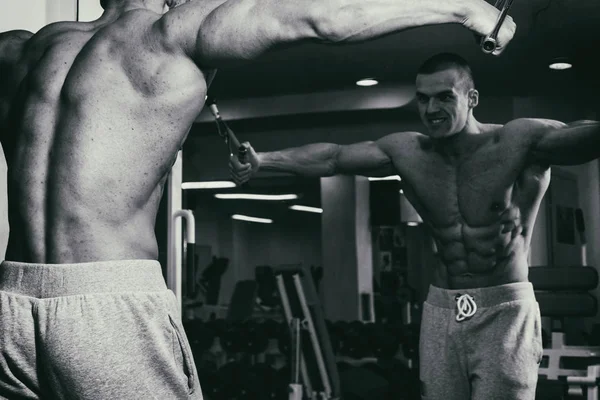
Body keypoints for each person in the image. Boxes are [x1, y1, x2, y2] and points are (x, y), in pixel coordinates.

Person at [0, 0, 517, 398]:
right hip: (105, 305)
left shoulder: (25, 51)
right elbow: (318, 17)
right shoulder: (170, 34)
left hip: (11, 305)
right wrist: (465, 8)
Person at [229, 52, 600, 399]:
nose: (431, 109)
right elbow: (334, 158)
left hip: (504, 308)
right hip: (441, 307)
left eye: (443, 97)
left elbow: (579, 137)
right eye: (422, 99)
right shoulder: (408, 152)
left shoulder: (517, 141)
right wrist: (265, 160)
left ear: (471, 98)